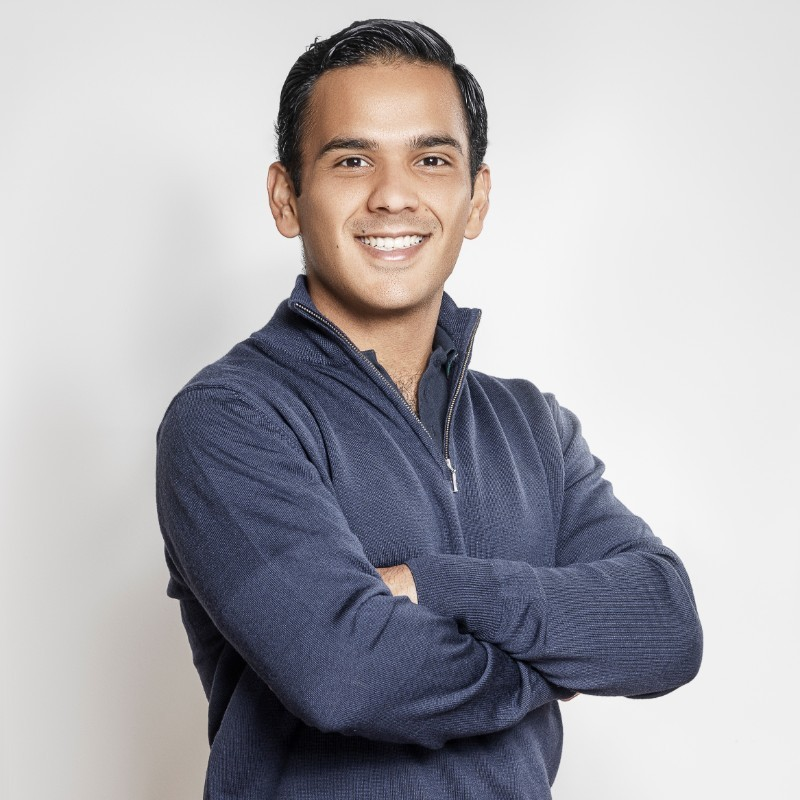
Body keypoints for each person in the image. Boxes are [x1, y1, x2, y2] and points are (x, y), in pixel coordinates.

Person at [156, 18, 702, 799]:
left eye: (432, 159)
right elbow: (345, 674)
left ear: (475, 199)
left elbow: (666, 627)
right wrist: (556, 662)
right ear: (286, 197)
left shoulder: (532, 428)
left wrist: (434, 584)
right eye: (351, 160)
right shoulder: (231, 419)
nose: (392, 195)